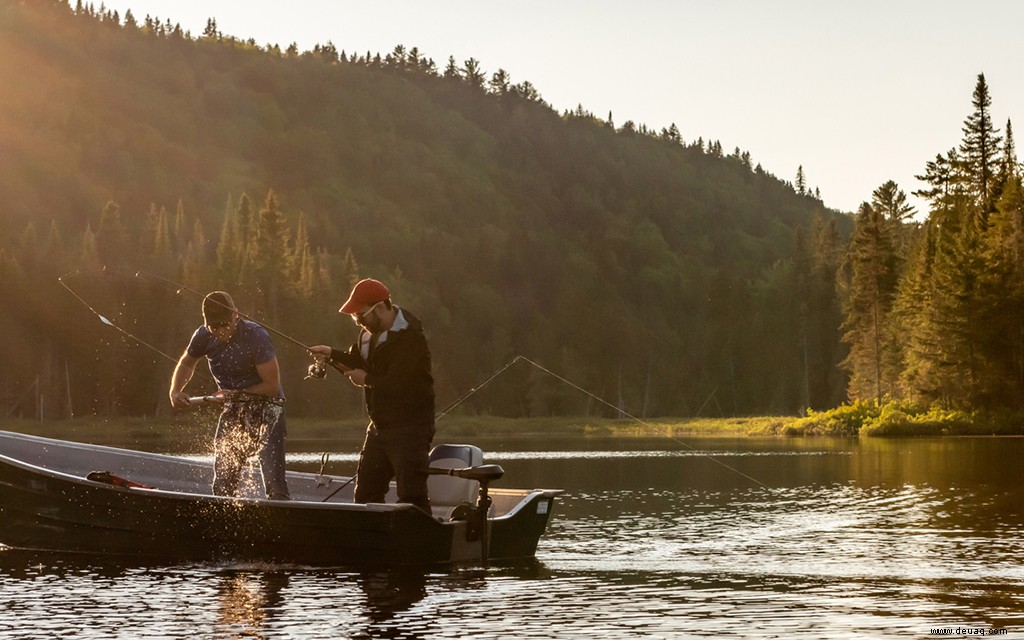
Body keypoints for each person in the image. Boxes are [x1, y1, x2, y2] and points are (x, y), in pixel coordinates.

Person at [309, 278, 435, 514]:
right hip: (379, 427)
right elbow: (358, 361)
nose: (357, 321)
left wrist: (365, 380)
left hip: (411, 427)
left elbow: (399, 382)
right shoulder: (368, 335)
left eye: (360, 315)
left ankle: (417, 547)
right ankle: (376, 545)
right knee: (366, 494)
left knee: (412, 497)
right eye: (354, 317)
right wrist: (331, 354)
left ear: (379, 308)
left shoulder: (411, 338)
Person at [169, 291, 290, 500]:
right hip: (233, 408)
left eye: (224, 325)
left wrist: (235, 394)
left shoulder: (256, 336)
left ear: (235, 314)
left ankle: (279, 513)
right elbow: (187, 363)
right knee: (223, 480)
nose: (220, 332)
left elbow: (271, 386)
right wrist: (176, 390)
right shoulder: (203, 335)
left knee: (274, 482)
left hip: (268, 408)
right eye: (214, 327)